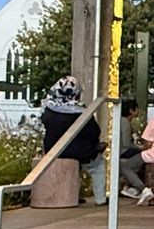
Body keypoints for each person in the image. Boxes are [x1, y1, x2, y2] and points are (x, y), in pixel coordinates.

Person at [40, 75, 107, 203]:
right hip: (81, 153)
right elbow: (94, 132)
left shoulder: (48, 110)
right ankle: (100, 199)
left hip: (53, 151)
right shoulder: (81, 111)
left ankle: (72, 195)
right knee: (98, 165)